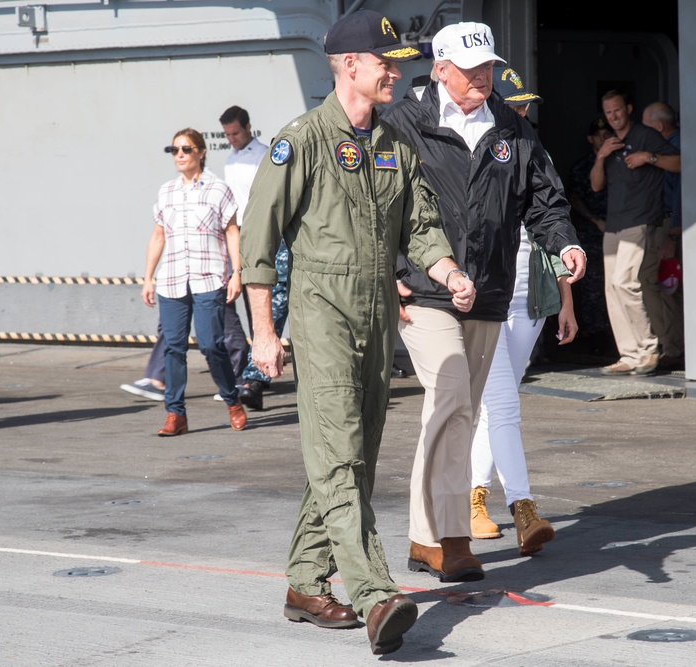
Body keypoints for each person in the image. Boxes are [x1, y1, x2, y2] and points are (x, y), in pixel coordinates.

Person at [239, 9, 473, 655]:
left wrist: (448, 271)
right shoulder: (303, 140)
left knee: (353, 457)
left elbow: (420, 227)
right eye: (386, 62)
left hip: (377, 314)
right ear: (350, 66)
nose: (397, 72)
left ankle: (304, 582)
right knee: (340, 453)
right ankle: (375, 595)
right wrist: (265, 331)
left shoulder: (395, 145)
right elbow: (257, 244)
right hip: (320, 315)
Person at [383, 22, 586, 583]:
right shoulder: (401, 126)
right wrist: (392, 272)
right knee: (450, 398)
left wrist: (564, 242)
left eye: (488, 67)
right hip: (425, 289)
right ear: (440, 68)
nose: (482, 78)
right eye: (470, 69)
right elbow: (376, 207)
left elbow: (544, 199)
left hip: (491, 292)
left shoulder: (512, 130)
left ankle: (424, 537)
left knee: (460, 413)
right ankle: (450, 538)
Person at [467, 65, 575, 556]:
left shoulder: (533, 147)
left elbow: (552, 224)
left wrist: (565, 301)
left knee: (499, 402)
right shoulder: (473, 146)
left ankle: (473, 496)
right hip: (485, 292)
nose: (525, 111)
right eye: (517, 104)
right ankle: (523, 507)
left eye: (528, 103)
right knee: (503, 404)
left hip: (530, 292)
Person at [141, 128, 248, 436]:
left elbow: (231, 232)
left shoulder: (219, 189)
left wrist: (237, 273)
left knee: (212, 344)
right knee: (173, 347)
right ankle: (176, 414)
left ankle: (232, 400)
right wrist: (148, 278)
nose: (179, 155)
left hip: (209, 277)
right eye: (174, 150)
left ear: (201, 152)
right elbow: (158, 235)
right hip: (172, 280)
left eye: (186, 149)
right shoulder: (167, 191)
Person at [590, 89, 680, 376]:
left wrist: (648, 157)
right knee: (612, 288)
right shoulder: (609, 142)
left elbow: (679, 163)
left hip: (640, 221)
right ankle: (629, 354)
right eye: (608, 113)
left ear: (628, 108)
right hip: (614, 223)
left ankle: (648, 349)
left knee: (625, 281)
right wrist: (601, 156)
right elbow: (595, 186)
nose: (613, 117)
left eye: (617, 110)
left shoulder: (645, 135)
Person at [217, 105, 286, 411]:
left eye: (236, 132)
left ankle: (254, 378)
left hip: (269, 232)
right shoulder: (230, 161)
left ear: (248, 128)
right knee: (252, 303)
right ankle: (253, 370)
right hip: (241, 234)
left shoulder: (263, 155)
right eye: (227, 135)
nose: (232, 139)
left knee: (276, 300)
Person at [641, 100, 684, 370]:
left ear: (658, 126)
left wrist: (673, 233)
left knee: (665, 286)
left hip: (670, 225)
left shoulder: (674, 147)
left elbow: (682, 189)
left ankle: (673, 347)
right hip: (664, 223)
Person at [567, 117, 615, 354]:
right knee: (594, 287)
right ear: (591, 139)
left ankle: (614, 337)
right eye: (599, 134)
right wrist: (596, 221)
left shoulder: (619, 160)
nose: (604, 137)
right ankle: (597, 338)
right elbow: (575, 199)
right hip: (591, 233)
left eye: (608, 133)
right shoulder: (582, 166)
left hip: (620, 230)